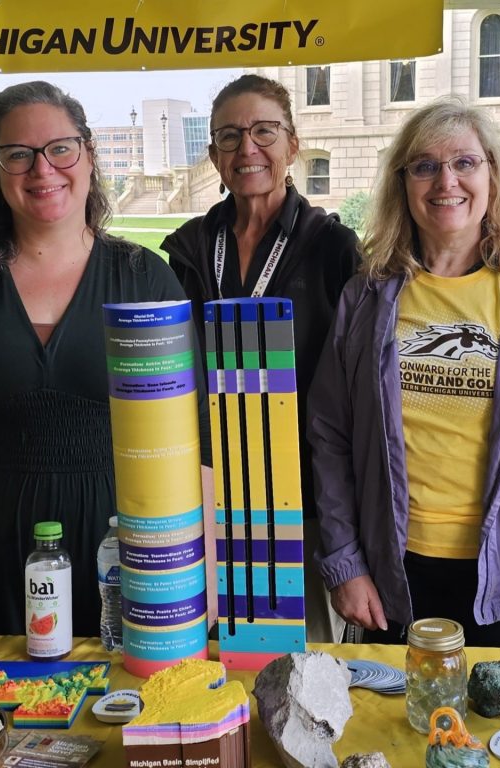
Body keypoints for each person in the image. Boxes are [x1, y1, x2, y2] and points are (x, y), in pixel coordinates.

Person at [0, 81, 211, 637]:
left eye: (60, 148)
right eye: (18, 154)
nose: (42, 170)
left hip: (119, 549)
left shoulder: (143, 279)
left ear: (87, 154)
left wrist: (196, 581)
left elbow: (190, 439)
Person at [307, 94, 500, 647]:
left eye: (464, 162)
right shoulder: (368, 296)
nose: (444, 180)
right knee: (397, 731)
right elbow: (330, 436)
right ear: (402, 184)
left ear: (491, 174)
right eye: (424, 166)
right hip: (393, 578)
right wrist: (344, 561)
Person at [162, 74, 360, 644]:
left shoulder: (332, 249)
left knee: (300, 656)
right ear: (213, 155)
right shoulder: (189, 248)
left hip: (301, 489)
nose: (247, 148)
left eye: (264, 131)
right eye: (229, 136)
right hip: (207, 486)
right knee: (212, 650)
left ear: (292, 144)